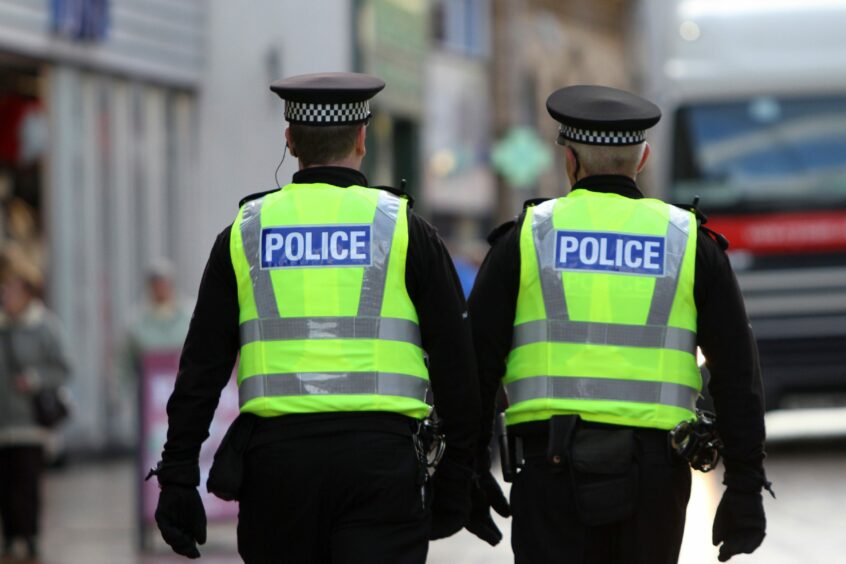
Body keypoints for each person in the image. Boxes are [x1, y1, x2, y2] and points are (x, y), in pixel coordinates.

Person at [149, 72, 479, 563]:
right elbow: (458, 368)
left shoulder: (245, 234)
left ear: (290, 140)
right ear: (363, 139)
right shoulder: (405, 230)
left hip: (278, 471)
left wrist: (178, 474)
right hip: (381, 467)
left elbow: (201, 370)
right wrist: (460, 477)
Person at [468, 85, 769, 563]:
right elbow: (737, 371)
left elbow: (476, 362)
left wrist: (466, 469)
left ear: (569, 160)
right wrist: (745, 485)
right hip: (654, 478)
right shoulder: (688, 242)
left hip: (549, 473)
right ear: (643, 158)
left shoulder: (526, 238)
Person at [0, 247, 71, 560]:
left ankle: (29, 537)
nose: (6, 295)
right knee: (4, 486)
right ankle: (9, 536)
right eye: (5, 289)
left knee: (27, 484)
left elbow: (64, 368)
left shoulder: (44, 326)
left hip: (30, 422)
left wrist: (35, 379)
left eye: (13, 289)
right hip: (2, 421)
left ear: (28, 293)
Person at [114, 259, 190, 447]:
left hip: (185, 395)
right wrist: (119, 394)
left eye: (164, 283)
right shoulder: (136, 323)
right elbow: (124, 363)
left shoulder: (189, 317)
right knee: (152, 447)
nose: (160, 288)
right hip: (150, 402)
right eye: (156, 284)